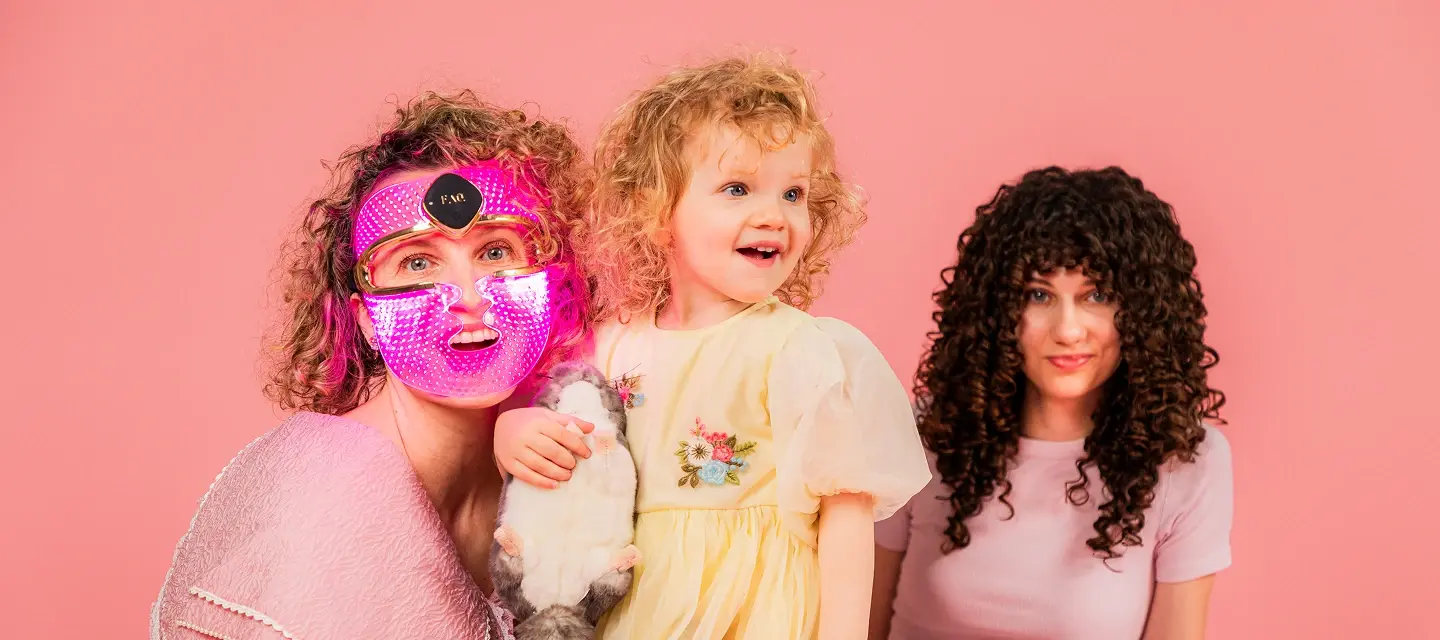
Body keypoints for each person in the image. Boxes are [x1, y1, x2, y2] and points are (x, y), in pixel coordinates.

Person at [494, 54, 931, 640]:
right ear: (657, 212)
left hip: (753, 613)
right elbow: (564, 453)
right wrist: (512, 435)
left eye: (793, 194)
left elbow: (845, 518)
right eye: (737, 188)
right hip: (633, 608)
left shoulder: (803, 350)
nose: (774, 216)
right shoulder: (613, 347)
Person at [150, 91, 592, 640]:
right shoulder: (325, 489)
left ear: (555, 278)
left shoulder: (545, 455)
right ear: (364, 320)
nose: (468, 295)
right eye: (417, 262)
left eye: (496, 251)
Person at [870, 166, 1235, 640]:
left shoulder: (1188, 463)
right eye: (1039, 295)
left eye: (1097, 295)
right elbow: (855, 625)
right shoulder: (920, 436)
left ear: (1143, 312)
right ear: (998, 309)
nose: (1067, 330)